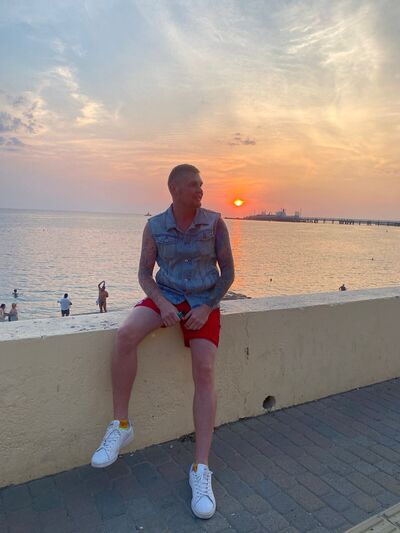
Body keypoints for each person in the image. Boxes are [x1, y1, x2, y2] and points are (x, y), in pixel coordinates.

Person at [91, 164, 235, 520]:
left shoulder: (215, 223)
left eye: (202, 184)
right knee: (125, 334)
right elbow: (144, 273)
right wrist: (163, 303)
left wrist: (206, 306)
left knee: (204, 370)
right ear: (174, 189)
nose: (201, 190)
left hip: (203, 301)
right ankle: (121, 426)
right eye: (194, 185)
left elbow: (228, 273)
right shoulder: (155, 226)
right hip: (166, 295)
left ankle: (200, 469)